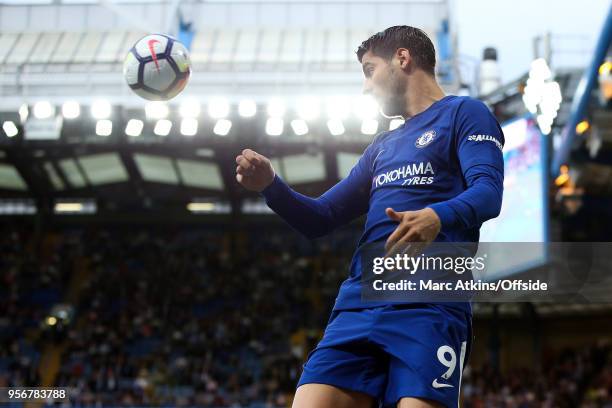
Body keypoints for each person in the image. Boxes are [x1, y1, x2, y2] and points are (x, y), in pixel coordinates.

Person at [235, 25, 505, 408]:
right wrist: (271, 185)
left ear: (402, 58)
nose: (365, 86)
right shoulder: (382, 146)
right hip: (357, 308)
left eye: (368, 69)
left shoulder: (466, 113)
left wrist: (436, 215)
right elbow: (321, 217)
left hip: (428, 309)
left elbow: (488, 193)